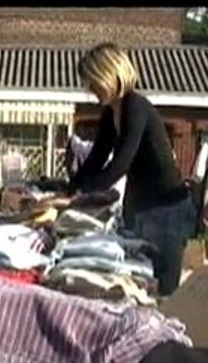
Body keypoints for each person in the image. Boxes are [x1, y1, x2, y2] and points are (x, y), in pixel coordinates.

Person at [68, 43, 197, 296]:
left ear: (109, 74)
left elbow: (120, 163)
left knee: (163, 289)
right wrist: (70, 188)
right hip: (141, 207)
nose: (89, 89)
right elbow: (96, 159)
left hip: (167, 209)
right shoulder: (110, 113)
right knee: (140, 283)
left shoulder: (135, 106)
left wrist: (80, 195)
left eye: (92, 81)